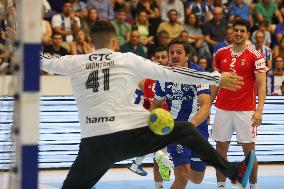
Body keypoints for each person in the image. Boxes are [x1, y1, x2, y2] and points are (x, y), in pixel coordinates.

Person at [41, 20, 254, 189]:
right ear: (115, 42)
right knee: (185, 130)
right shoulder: (127, 59)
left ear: (90, 41)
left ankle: (159, 155)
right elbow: (172, 72)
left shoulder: (74, 62)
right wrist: (215, 78)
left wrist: (15, 41)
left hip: (93, 144)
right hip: (128, 136)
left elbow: (41, 59)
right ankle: (233, 172)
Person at [211, 18, 266, 189]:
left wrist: (259, 110)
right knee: (220, 149)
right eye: (236, 30)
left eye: (243, 31)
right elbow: (215, 83)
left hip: (246, 110)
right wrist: (207, 108)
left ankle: (253, 186)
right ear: (232, 32)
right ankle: (221, 185)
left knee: (249, 152)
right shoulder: (220, 54)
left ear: (248, 34)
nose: (239, 33)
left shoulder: (256, 56)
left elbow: (262, 84)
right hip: (223, 109)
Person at [151, 39, 211, 189]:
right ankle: (172, 161)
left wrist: (192, 125)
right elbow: (156, 105)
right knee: (183, 175)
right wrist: (154, 124)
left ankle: (169, 162)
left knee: (197, 179)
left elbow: (205, 104)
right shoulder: (163, 77)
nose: (174, 55)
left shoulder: (197, 74)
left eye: (179, 52)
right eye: (172, 52)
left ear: (187, 56)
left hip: (198, 128)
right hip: (176, 128)